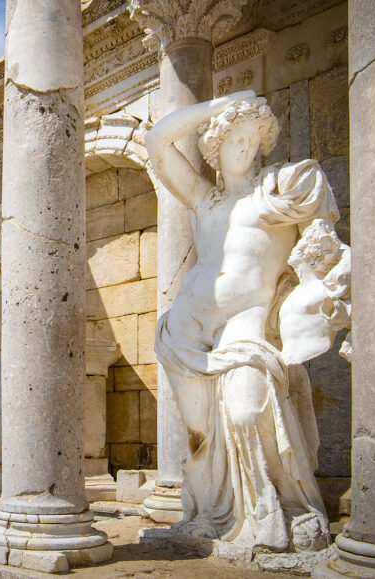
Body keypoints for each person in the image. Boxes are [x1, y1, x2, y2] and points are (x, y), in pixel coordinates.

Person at [146, 89, 348, 552]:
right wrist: (221, 106)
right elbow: (159, 141)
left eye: (253, 140)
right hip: (185, 331)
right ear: (216, 148)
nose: (245, 147)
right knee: (200, 441)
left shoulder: (281, 190)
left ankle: (287, 510)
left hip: (246, 321)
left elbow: (321, 247)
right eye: (235, 139)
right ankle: (213, 517)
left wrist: (320, 286)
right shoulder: (203, 200)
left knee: (245, 409)